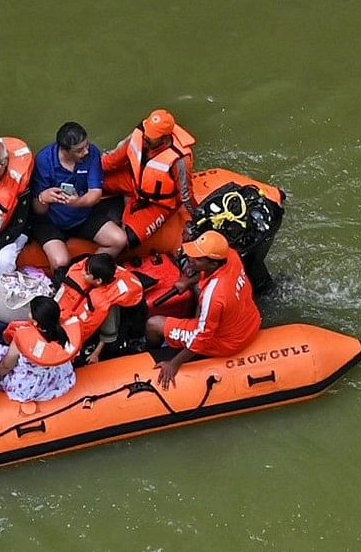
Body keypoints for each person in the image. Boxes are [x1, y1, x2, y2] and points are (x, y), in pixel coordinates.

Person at [149, 231, 265, 375]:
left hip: (227, 342)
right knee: (199, 294)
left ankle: (150, 353)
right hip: (249, 322)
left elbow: (202, 337)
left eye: (197, 259)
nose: (191, 259)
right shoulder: (231, 256)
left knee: (153, 325)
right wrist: (188, 282)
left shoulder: (214, 295)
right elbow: (210, 272)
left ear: (212, 262)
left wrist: (174, 363)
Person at [103, 108, 199, 255]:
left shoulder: (180, 159)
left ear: (165, 138)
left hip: (158, 203)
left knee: (130, 239)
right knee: (94, 181)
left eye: (151, 138)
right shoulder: (140, 134)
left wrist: (198, 219)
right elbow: (112, 159)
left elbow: (185, 195)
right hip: (132, 181)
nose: (145, 139)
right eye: (146, 134)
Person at [27, 121, 117, 271]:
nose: (86, 152)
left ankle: (84, 275)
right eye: (79, 150)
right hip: (51, 220)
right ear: (64, 150)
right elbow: (38, 209)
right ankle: (64, 283)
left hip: (82, 214)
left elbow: (95, 193)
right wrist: (43, 198)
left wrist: (77, 202)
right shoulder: (44, 160)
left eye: (86, 145)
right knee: (60, 261)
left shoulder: (92, 153)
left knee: (118, 240)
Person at [2, 293, 85, 404]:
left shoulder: (23, 339)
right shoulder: (68, 332)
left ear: (35, 321)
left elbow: (6, 365)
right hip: (60, 376)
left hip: (32, 386)